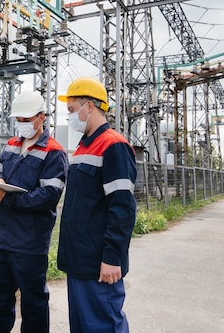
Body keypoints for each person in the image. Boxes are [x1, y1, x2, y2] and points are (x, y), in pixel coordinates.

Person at [0, 89, 69, 333]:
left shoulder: (54, 152)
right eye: (18, 120)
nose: (21, 124)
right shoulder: (12, 145)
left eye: (26, 120)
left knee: (33, 303)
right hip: (0, 240)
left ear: (41, 117)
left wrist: (6, 199)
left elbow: (48, 196)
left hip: (29, 243)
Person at [56, 77, 137, 333]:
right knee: (81, 326)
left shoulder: (113, 146)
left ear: (88, 106)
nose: (70, 117)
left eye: (71, 110)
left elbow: (122, 208)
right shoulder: (83, 147)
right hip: (78, 259)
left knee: (102, 325)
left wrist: (113, 256)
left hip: (98, 264)